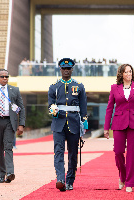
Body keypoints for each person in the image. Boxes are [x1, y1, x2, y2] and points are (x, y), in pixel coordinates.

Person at [104, 64, 134, 193]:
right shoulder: (114, 88)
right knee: (118, 151)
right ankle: (122, 176)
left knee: (132, 154)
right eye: (126, 72)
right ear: (121, 74)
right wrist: (106, 127)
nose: (129, 74)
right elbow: (109, 108)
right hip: (118, 123)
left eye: (130, 71)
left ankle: (130, 182)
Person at [48, 58, 88, 191]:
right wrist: (52, 109)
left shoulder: (79, 86)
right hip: (58, 122)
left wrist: (84, 122)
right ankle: (60, 179)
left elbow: (83, 106)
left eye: (68, 69)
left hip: (74, 123)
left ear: (72, 69)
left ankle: (70, 180)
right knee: (58, 151)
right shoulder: (54, 86)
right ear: (60, 69)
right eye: (64, 68)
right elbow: (50, 105)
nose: (66, 71)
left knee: (72, 153)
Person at [0, 69, 25, 183]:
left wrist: (21, 124)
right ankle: (2, 175)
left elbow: (21, 108)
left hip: (9, 122)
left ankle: (10, 173)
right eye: (2, 76)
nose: (5, 78)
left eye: (7, 76)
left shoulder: (14, 90)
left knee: (8, 147)